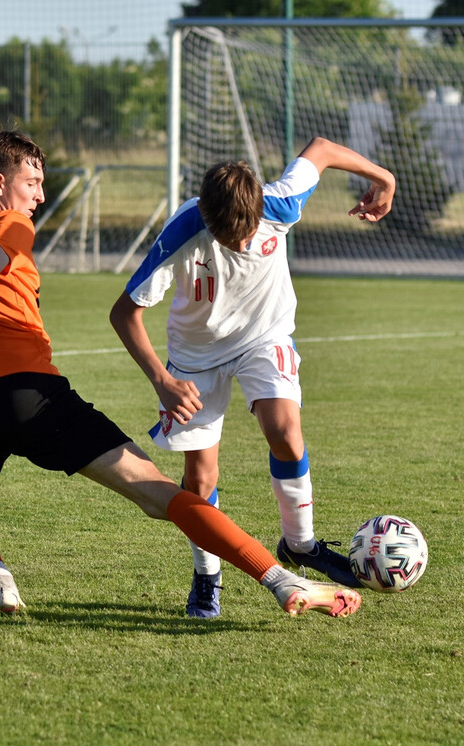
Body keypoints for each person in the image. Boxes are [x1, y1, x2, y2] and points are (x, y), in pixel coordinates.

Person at [0, 130, 362, 620]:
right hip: (33, 397)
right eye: (32, 182)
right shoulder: (14, 224)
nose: (39, 194)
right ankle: (278, 578)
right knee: (158, 491)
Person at [110, 138, 395, 618]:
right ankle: (207, 576)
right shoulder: (184, 230)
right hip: (196, 356)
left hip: (264, 336)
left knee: (285, 432)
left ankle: (299, 545)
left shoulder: (279, 202)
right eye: (231, 239)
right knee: (200, 480)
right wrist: (162, 380)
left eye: (249, 236)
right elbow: (124, 313)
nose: (244, 245)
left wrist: (383, 178)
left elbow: (321, 150)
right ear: (208, 218)